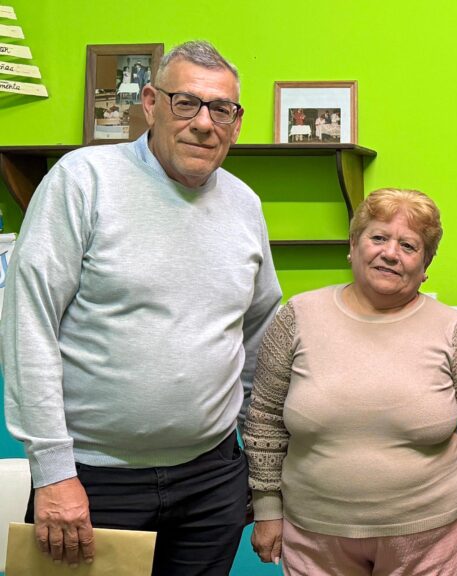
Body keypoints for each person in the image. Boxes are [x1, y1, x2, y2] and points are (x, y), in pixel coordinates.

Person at [1, 40, 282, 575]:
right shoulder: (83, 180)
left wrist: (258, 467)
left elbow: (259, 338)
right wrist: (53, 472)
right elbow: (28, 325)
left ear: (236, 122)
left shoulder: (245, 205)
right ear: (150, 103)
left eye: (221, 109)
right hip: (92, 479)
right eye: (186, 103)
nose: (205, 124)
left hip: (212, 479)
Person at [244, 188, 457, 576]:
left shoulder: (455, 330)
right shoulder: (297, 317)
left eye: (409, 245)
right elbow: (264, 421)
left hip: (430, 541)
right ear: (353, 246)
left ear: (425, 264)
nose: (390, 253)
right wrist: (267, 509)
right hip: (315, 538)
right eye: (379, 237)